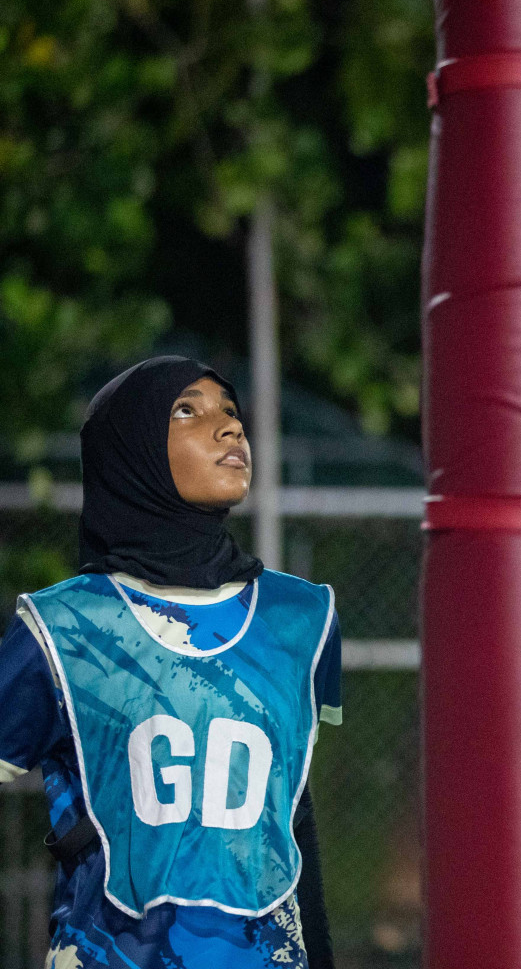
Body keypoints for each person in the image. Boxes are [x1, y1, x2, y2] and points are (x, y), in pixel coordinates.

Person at [0, 356, 341, 968]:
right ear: (129, 448)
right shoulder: (64, 627)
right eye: (188, 410)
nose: (229, 429)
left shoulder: (301, 617)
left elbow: (295, 814)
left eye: (232, 412)